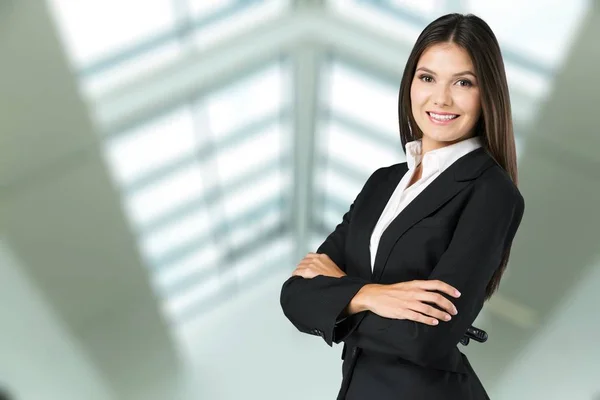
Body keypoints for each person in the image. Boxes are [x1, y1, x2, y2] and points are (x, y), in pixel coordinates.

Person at [280, 12, 525, 400]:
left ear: (487, 94)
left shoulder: (491, 192)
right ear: (410, 83)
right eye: (427, 78)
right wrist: (373, 295)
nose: (441, 98)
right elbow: (295, 295)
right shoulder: (382, 183)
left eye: (463, 82)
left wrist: (340, 295)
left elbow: (426, 337)